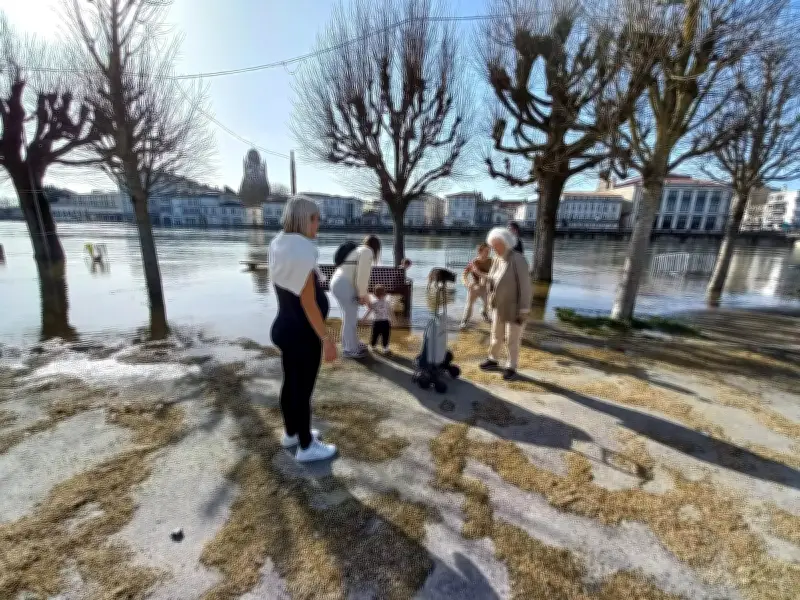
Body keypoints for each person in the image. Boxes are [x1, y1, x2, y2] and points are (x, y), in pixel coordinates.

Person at [269, 196, 338, 463]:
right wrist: (328, 340)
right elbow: (309, 304)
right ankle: (307, 447)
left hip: (285, 326)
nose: (318, 223)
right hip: (302, 333)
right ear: (304, 219)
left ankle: (292, 433)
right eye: (315, 218)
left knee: (291, 384)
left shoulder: (278, 243)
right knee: (303, 390)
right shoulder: (302, 250)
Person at [480, 227, 532, 381]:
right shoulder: (496, 259)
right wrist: (480, 277)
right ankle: (493, 359)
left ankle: (511, 366)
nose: (493, 248)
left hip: (514, 308)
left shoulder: (518, 259)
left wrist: (524, 310)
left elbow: (526, 287)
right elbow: (492, 279)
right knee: (495, 335)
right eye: (492, 245)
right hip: (498, 306)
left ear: (506, 243)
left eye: (497, 245)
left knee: (512, 339)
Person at [330, 235, 382, 358]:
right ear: (376, 247)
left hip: (338, 282)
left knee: (349, 317)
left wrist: (363, 295)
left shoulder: (358, 250)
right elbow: (362, 276)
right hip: (345, 284)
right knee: (350, 319)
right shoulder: (367, 251)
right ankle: (350, 349)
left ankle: (351, 344)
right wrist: (362, 295)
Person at [460, 243, 493, 329]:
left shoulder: (491, 261)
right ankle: (465, 321)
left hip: (486, 286)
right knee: (469, 304)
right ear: (480, 252)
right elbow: (464, 275)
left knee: (487, 303)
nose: (488, 253)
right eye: (486, 251)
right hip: (474, 286)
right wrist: (467, 283)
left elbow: (494, 275)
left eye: (489, 251)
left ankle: (484, 312)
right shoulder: (474, 262)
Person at [363, 284, 392, 354]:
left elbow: (369, 311)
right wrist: (394, 320)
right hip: (386, 322)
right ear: (384, 294)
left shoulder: (374, 303)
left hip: (377, 322)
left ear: (375, 295)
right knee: (386, 336)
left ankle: (373, 346)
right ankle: (385, 348)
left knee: (375, 335)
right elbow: (390, 311)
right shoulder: (387, 302)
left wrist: (364, 318)